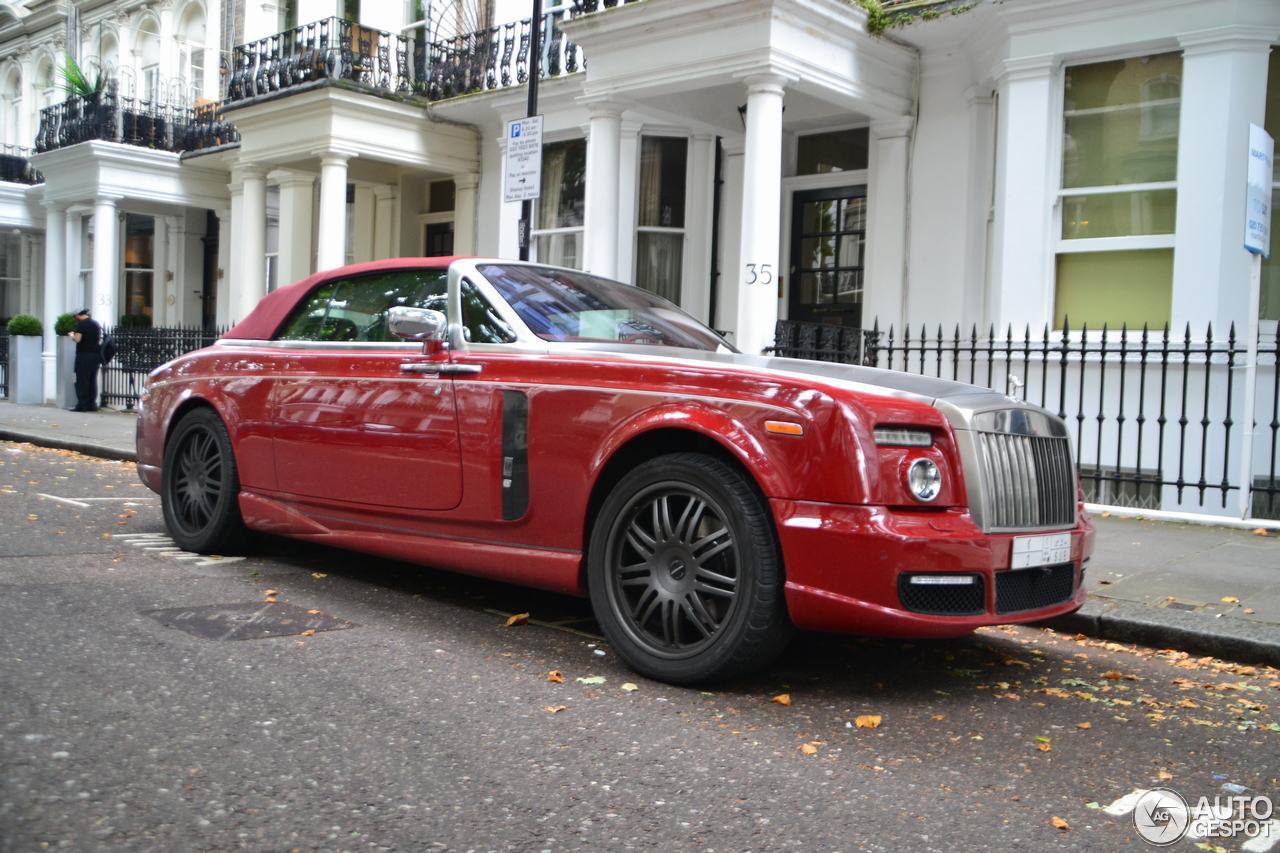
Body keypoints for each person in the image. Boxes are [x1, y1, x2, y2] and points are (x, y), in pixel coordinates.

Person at [68, 308, 101, 412]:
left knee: (82, 380)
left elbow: (78, 339)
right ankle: (92, 404)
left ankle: (82, 405)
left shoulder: (81, 325)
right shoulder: (95, 324)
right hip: (95, 356)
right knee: (92, 379)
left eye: (75, 317)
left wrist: (72, 335)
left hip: (83, 355)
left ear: (78, 316)